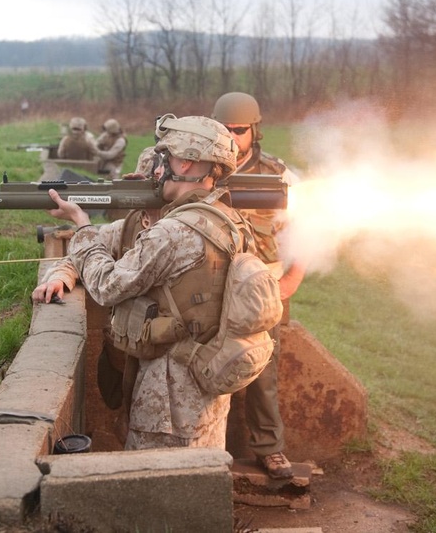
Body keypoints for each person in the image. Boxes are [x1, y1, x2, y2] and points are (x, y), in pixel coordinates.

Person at [32, 115, 253, 450]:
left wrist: (80, 223)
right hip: (206, 386)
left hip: (167, 398)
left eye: (164, 159)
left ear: (187, 161)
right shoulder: (228, 220)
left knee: (152, 493)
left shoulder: (175, 232)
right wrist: (67, 268)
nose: (158, 169)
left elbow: (106, 285)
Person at [211, 91, 306, 480]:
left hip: (262, 287)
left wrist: (289, 283)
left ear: (255, 130)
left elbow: (308, 232)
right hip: (212, 282)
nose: (233, 138)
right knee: (206, 367)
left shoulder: (279, 175)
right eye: (225, 130)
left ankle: (269, 448)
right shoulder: (201, 168)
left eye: (240, 130)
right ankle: (207, 451)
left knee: (263, 369)